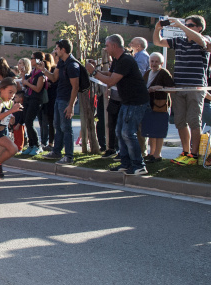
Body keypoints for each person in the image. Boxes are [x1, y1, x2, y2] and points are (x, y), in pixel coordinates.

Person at [87, 34, 150, 175]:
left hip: (136, 101)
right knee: (119, 132)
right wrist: (95, 69)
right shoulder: (117, 60)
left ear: (114, 46)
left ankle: (138, 165)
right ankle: (126, 163)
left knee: (128, 133)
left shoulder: (126, 60)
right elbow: (109, 74)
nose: (106, 48)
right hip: (126, 101)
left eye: (107, 46)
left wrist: (94, 72)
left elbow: (111, 81)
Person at [153, 16, 211, 166]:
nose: (186, 27)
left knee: (194, 121)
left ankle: (194, 154)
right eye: (186, 25)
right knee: (179, 121)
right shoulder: (179, 41)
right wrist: (157, 28)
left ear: (199, 27)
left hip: (195, 88)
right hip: (179, 87)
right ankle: (185, 152)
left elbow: (203, 43)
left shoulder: (203, 39)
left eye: (190, 25)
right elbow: (157, 42)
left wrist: (179, 25)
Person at [40, 40, 80, 164]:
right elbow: (53, 77)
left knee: (66, 127)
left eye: (57, 49)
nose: (55, 51)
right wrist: (44, 70)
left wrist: (71, 105)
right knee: (57, 126)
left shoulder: (72, 65)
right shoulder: (61, 63)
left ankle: (69, 156)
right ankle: (57, 152)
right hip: (59, 98)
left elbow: (75, 87)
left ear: (63, 49)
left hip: (66, 100)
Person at [140, 52, 174, 163]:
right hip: (148, 105)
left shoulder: (164, 73)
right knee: (150, 131)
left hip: (160, 106)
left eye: (156, 61)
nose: (154, 64)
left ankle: (157, 155)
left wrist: (160, 87)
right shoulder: (148, 72)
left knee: (159, 131)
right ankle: (151, 153)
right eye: (152, 61)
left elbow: (172, 88)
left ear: (161, 63)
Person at [19, 52, 47, 156]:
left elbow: (38, 88)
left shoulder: (41, 74)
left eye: (33, 58)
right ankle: (31, 145)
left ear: (38, 60)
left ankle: (37, 145)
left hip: (36, 100)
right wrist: (23, 75)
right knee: (26, 121)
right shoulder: (33, 72)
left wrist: (27, 83)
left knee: (29, 121)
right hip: (28, 98)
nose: (31, 60)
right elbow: (24, 83)